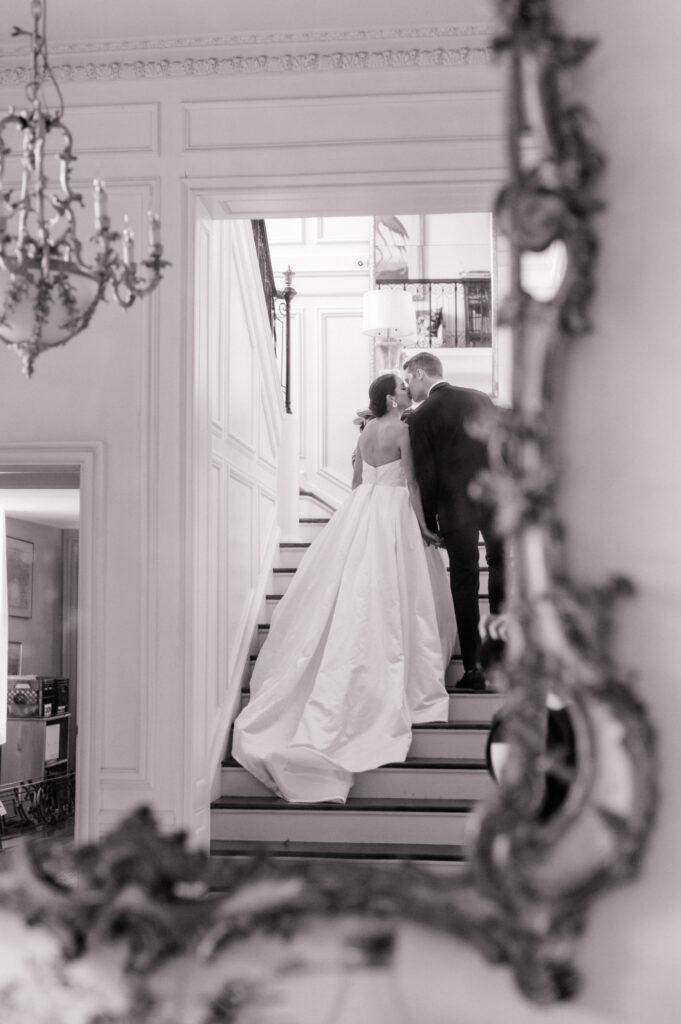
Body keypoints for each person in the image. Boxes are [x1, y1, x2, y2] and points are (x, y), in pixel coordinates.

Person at [232, 371, 456, 804]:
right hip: (392, 512)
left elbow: (356, 482)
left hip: (360, 509)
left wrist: (358, 511)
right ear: (392, 399)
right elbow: (411, 482)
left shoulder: (366, 430)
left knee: (347, 585)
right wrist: (425, 525)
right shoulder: (402, 429)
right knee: (396, 595)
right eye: (403, 388)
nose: (408, 391)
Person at [403, 352, 505, 691]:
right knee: (501, 566)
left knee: (465, 580)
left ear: (420, 374)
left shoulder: (421, 416)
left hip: (454, 507)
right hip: (494, 498)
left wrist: (428, 519)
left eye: (409, 379)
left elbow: (425, 474)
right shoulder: (480, 398)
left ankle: (475, 670)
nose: (409, 387)